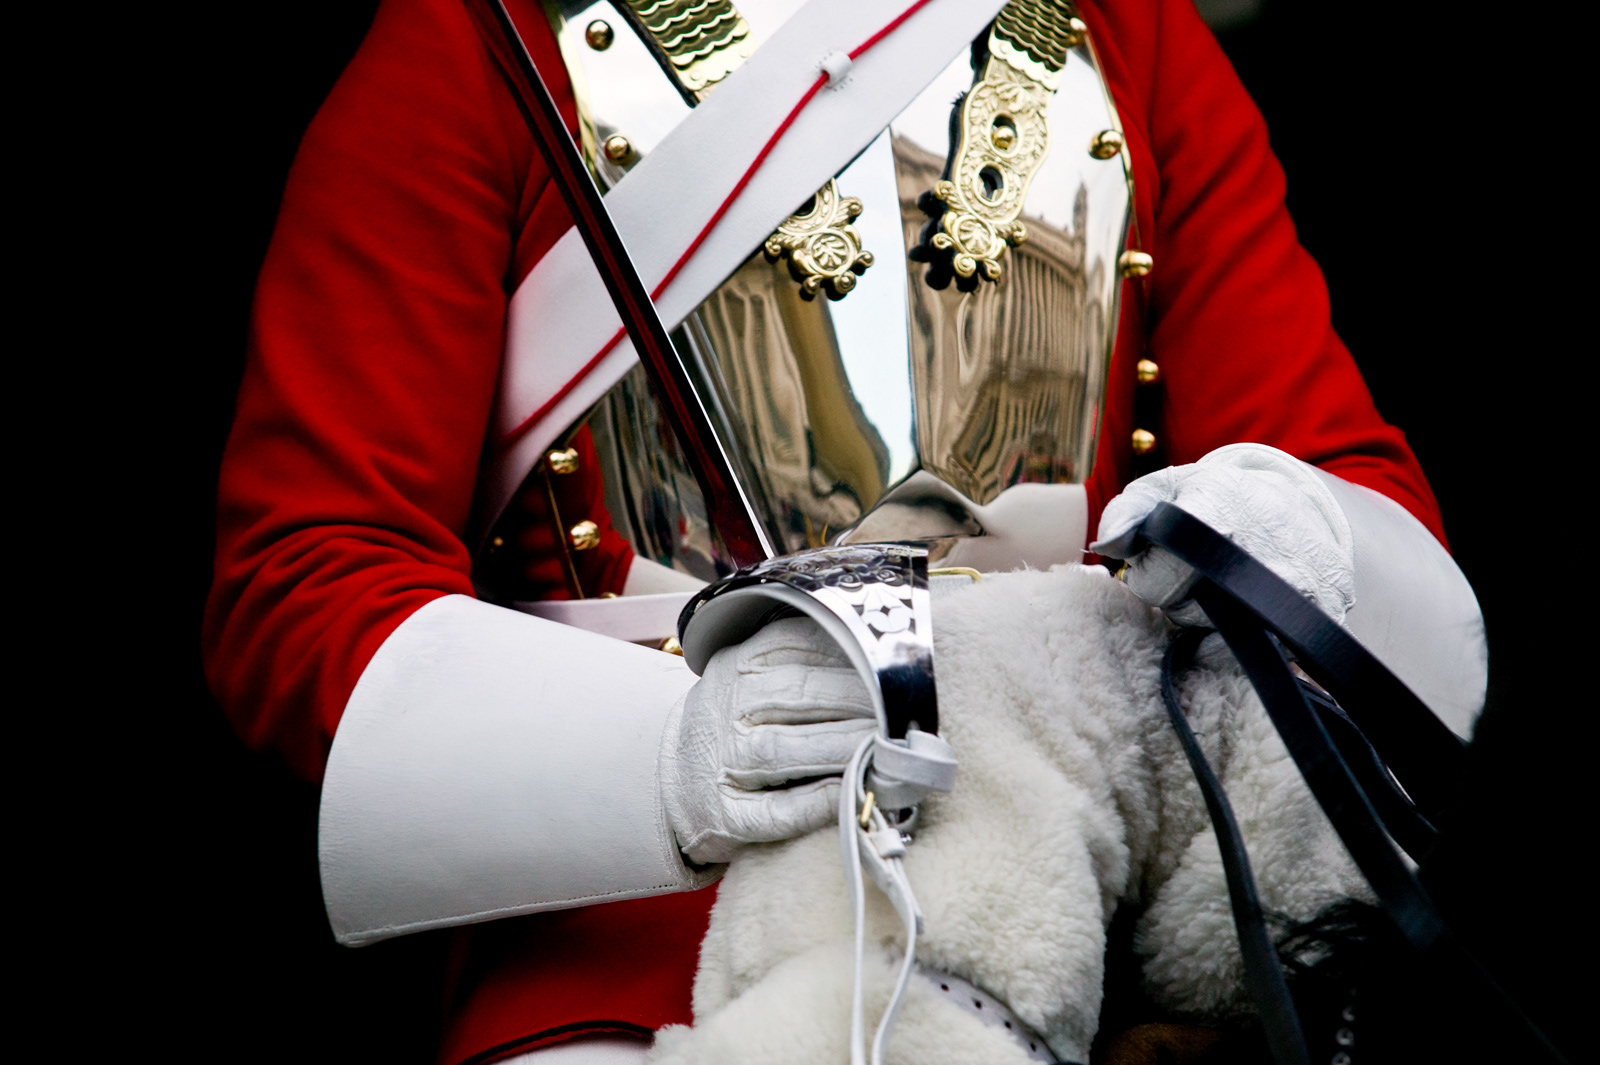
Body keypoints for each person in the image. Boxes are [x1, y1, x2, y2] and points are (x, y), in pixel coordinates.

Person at [203, 0, 1486, 1061]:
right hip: (641, 954)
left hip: (1091, 920)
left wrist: (1294, 539)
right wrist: (664, 757)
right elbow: (303, 575)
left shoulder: (1134, 32)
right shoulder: (470, 37)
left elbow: (1349, 501)